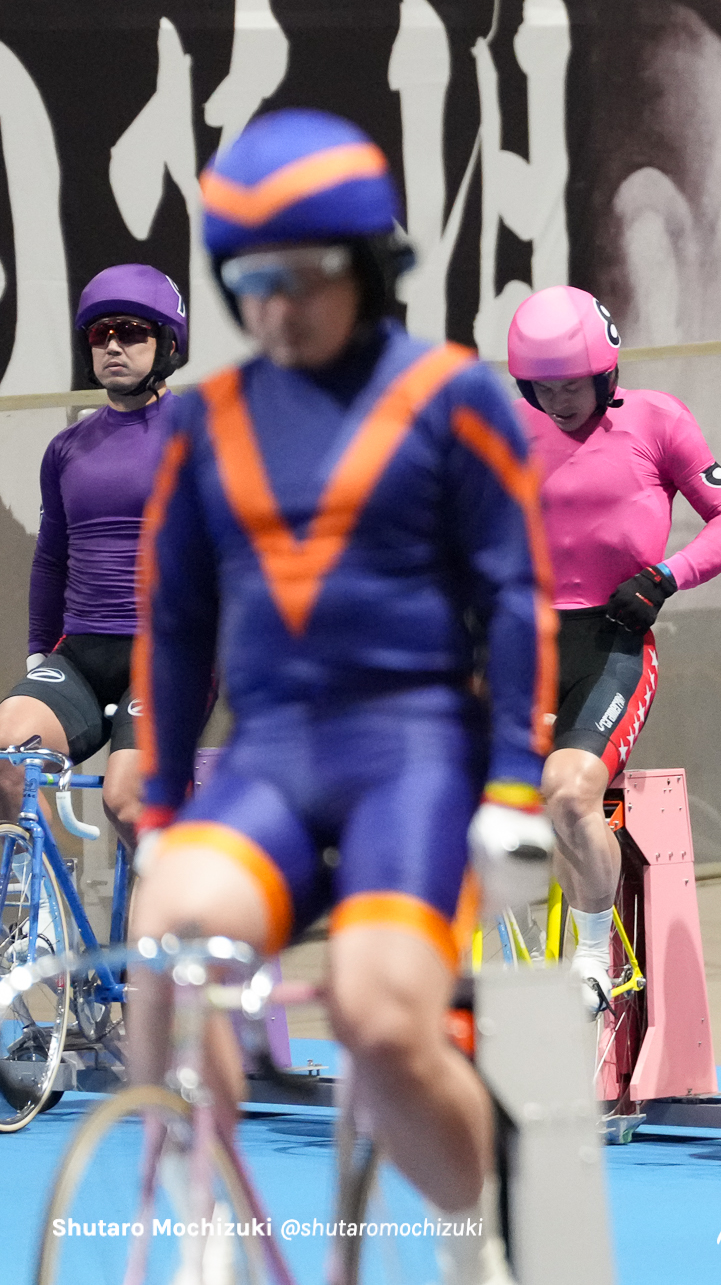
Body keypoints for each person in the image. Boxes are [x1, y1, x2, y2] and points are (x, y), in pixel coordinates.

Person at [132, 108, 554, 1285]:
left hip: (411, 760)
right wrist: (162, 801)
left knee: (377, 1019)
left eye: (308, 275)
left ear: (370, 267)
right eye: (251, 280)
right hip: (268, 761)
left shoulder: (454, 394)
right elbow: (172, 624)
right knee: (165, 925)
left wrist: (515, 787)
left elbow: (518, 598)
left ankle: (475, 1243)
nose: (278, 305)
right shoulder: (201, 421)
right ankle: (201, 1220)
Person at [505, 284, 721, 1010]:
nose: (557, 402)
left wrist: (665, 576)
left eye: (572, 386)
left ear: (605, 372)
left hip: (611, 642)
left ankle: (592, 953)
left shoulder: (657, 421)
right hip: (521, 646)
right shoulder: (507, 432)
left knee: (571, 789)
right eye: (542, 389)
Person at [0, 265, 189, 855]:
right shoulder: (66, 447)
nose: (112, 344)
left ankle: (168, 933)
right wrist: (37, 648)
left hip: (168, 652)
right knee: (4, 754)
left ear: (167, 344)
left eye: (131, 331)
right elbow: (51, 558)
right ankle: (41, 922)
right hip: (81, 652)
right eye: (100, 332)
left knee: (126, 797)